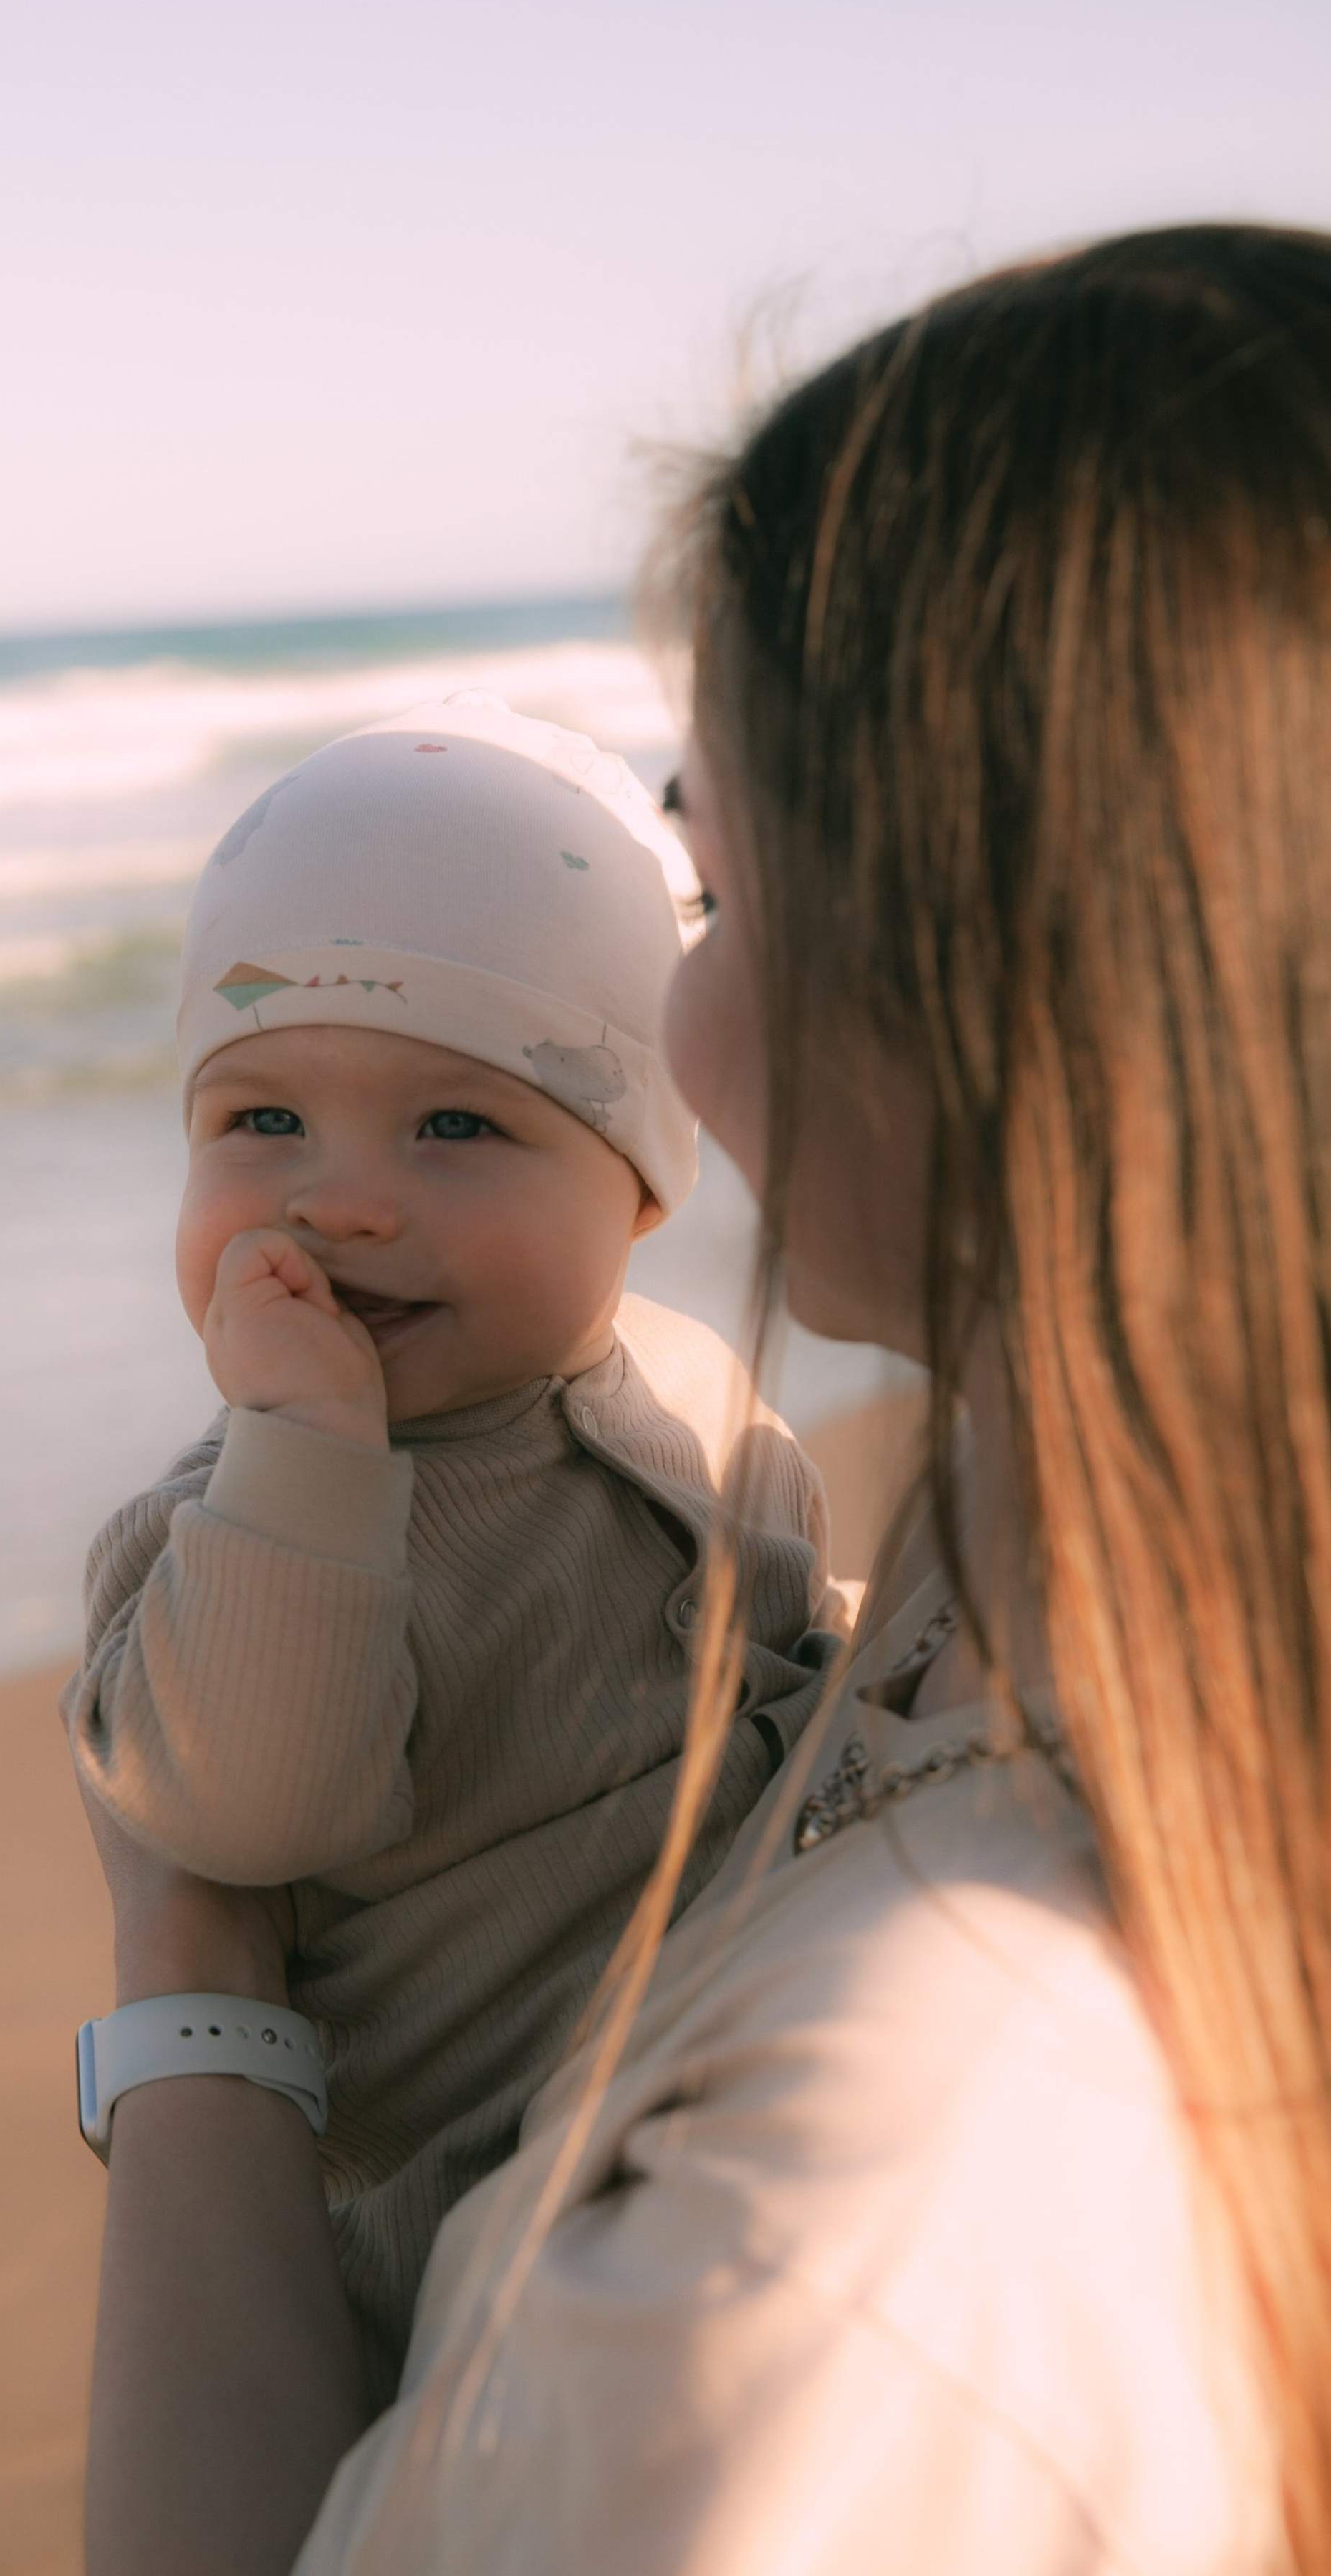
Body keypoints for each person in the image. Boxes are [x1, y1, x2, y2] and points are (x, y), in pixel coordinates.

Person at [75, 226, 1331, 2575]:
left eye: (718, 885)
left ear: (993, 972)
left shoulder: (864, 2230)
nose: (682, 1006)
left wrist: (187, 1975)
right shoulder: (1025, 1559)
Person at [64, 692, 847, 2405]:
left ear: (635, 1186)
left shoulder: (700, 1394)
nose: (337, 1200)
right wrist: (304, 1450)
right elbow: (245, 1813)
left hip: (755, 2100)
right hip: (471, 2261)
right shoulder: (223, 1533)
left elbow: (796, 1627)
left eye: (453, 1126)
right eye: (259, 1121)